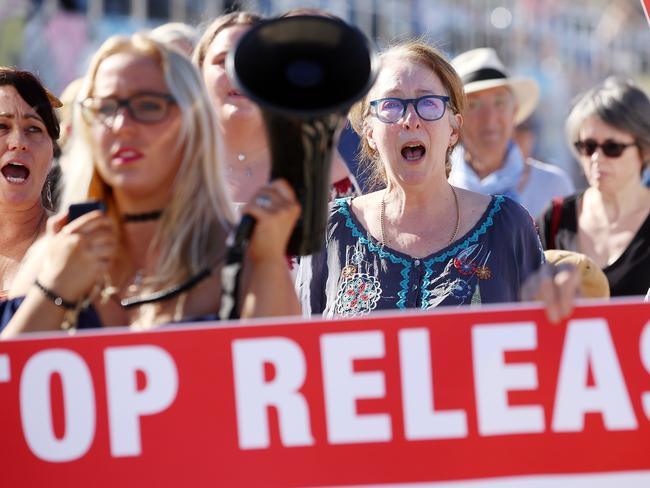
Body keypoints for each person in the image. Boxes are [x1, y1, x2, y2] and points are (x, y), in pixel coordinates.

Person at [1, 33, 300, 337]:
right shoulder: (56, 253)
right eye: (105, 108)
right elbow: (9, 379)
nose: (122, 126)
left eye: (147, 106)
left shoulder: (243, 258)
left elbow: (278, 372)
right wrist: (55, 290)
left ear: (191, 124)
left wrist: (268, 262)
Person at [296, 40, 550, 318]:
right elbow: (300, 345)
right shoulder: (330, 230)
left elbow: (545, 339)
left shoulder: (508, 225)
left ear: (454, 128)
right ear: (370, 133)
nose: (410, 119)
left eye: (428, 103)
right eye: (392, 105)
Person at [193, 11, 358, 209]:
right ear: (200, 72)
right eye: (222, 60)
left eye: (254, 60)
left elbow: (348, 238)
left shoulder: (319, 169)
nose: (236, 72)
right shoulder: (169, 159)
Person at [538, 77, 650, 297]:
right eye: (588, 147)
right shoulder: (557, 218)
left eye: (613, 147)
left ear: (644, 150)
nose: (597, 158)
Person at [449, 47, 574, 219]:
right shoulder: (439, 190)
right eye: (473, 105)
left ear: (514, 112)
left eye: (499, 103)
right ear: (455, 120)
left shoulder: (552, 187)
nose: (490, 118)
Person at [0, 67, 61, 300]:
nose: (18, 143)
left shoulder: (76, 248)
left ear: (52, 152)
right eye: (1, 126)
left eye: (34, 129)